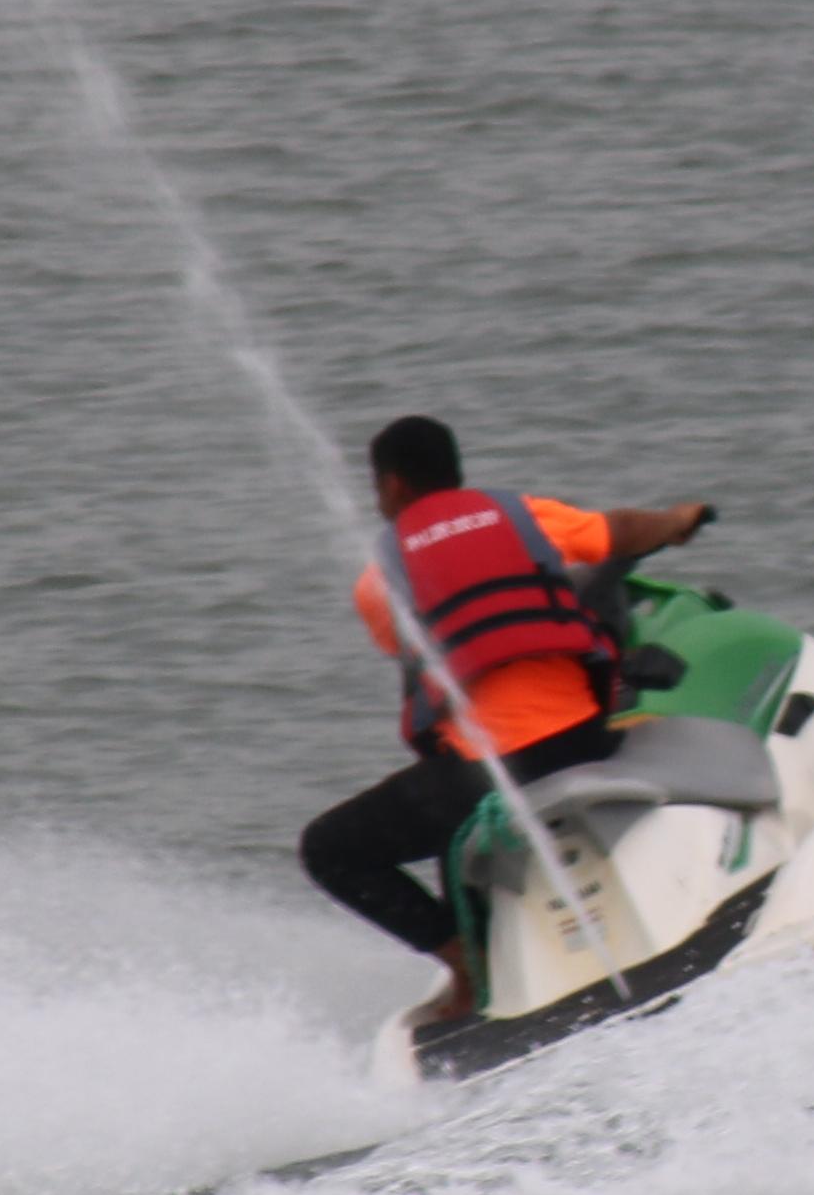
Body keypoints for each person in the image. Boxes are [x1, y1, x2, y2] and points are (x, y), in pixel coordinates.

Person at [299, 415, 715, 1029]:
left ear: (391, 485)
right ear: (454, 470)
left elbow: (409, 648)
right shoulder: (522, 516)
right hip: (583, 739)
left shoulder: (377, 583)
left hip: (491, 777)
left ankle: (465, 966)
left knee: (329, 848)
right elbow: (620, 532)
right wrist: (677, 520)